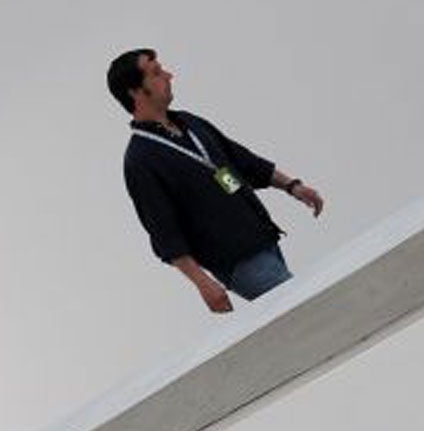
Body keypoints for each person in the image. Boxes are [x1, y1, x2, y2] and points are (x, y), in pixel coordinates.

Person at [108, 47, 325, 313]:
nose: (168, 75)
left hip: (263, 238)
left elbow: (242, 161)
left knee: (297, 315)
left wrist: (293, 186)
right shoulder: (141, 159)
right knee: (307, 308)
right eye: (156, 73)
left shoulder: (189, 122)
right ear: (135, 91)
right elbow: (164, 232)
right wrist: (203, 283)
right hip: (237, 261)